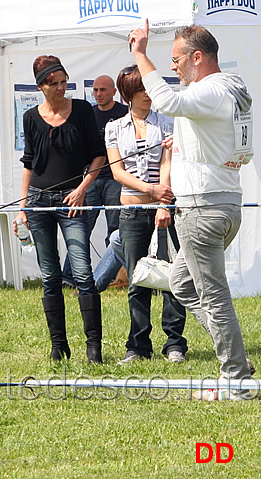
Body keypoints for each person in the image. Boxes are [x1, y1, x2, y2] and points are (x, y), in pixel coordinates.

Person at [130, 22, 254, 399]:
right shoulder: (228, 90)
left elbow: (167, 102)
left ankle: (235, 380)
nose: (174, 68)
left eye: (177, 60)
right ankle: (238, 360)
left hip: (202, 209)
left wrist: (140, 54)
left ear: (197, 57)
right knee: (183, 284)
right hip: (223, 203)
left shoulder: (209, 90)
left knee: (213, 295)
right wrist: (181, 137)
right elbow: (210, 136)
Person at [14, 55, 106, 364]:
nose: (61, 88)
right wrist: (22, 207)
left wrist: (82, 189)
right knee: (49, 275)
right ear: (41, 86)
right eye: (54, 83)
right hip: (39, 202)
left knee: (82, 272)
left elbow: (99, 156)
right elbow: (29, 164)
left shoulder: (80, 110)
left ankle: (94, 347)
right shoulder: (30, 117)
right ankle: (59, 346)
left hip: (71, 200)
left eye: (64, 82)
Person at [106, 64, 188, 365]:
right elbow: (117, 171)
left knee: (172, 278)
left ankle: (175, 343)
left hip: (164, 209)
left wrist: (162, 201)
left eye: (149, 90)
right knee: (137, 280)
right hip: (131, 210)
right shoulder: (114, 127)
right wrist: (149, 190)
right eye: (141, 91)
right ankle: (138, 345)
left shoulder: (166, 121)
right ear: (128, 95)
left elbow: (168, 163)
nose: (147, 95)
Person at [61, 75, 127, 288]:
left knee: (115, 232)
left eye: (103, 90)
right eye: (95, 90)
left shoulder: (124, 114)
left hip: (116, 180)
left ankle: (117, 278)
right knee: (79, 228)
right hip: (90, 180)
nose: (98, 94)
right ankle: (68, 277)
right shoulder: (88, 113)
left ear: (114, 92)